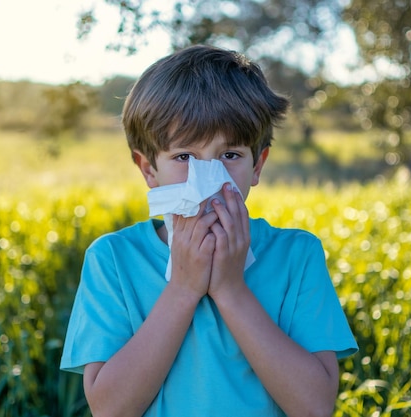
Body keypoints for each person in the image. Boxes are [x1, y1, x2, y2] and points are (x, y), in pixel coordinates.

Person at [60, 44, 358, 417]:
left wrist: (231, 289)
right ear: (149, 169)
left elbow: (315, 407)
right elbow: (110, 410)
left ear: (258, 164)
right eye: (184, 157)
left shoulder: (296, 255)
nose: (209, 180)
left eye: (230, 155)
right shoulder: (113, 260)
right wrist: (183, 288)